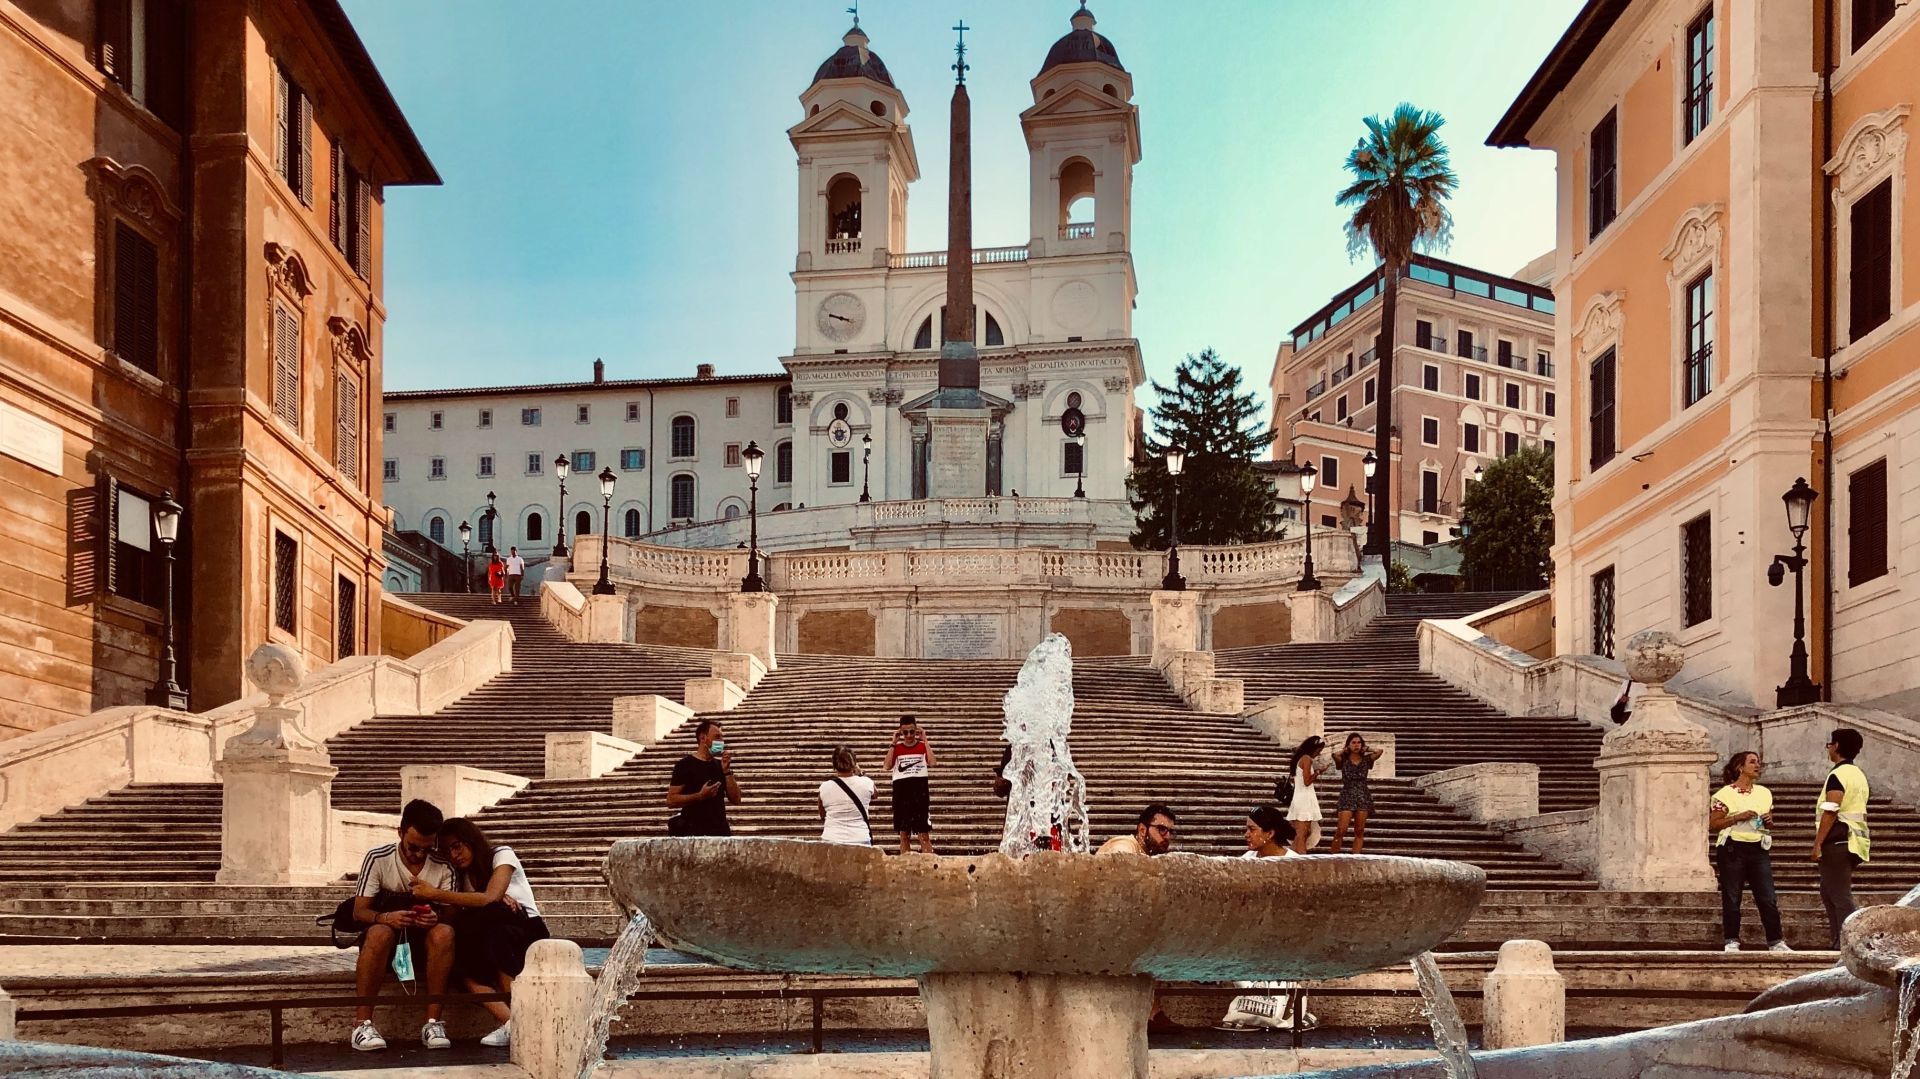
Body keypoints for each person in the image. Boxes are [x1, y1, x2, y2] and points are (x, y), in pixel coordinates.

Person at [408, 817, 551, 1048]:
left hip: (527, 931)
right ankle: (513, 1023)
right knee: (461, 961)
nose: (454, 855)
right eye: (447, 852)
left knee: (496, 926)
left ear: (471, 840)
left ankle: (521, 1018)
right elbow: (465, 911)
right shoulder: (461, 878)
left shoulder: (501, 855)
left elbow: (490, 898)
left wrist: (434, 894)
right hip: (491, 934)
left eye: (457, 846)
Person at [348, 799, 458, 1052]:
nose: (419, 854)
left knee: (444, 932)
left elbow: (452, 916)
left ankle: (433, 1022)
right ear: (400, 832)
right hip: (385, 940)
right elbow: (359, 911)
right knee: (378, 933)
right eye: (413, 847)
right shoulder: (378, 858)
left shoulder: (444, 866)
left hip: (426, 944)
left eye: (426, 849)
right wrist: (386, 917)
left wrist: (435, 917)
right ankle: (362, 1024)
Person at [1219, 806, 1311, 1032]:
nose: (1246, 834)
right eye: (1246, 829)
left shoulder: (1295, 864)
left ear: (1269, 834)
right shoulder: (1247, 860)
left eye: (1252, 829)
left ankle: (1275, 1013)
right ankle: (1271, 1012)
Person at [1709, 750, 1788, 953]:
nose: (1757, 765)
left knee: (1767, 896)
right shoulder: (1724, 794)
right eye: (1752, 762)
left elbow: (1768, 820)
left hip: (1758, 846)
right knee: (1732, 896)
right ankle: (1731, 940)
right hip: (1732, 847)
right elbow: (1714, 823)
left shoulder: (1764, 793)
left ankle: (1776, 940)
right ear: (1740, 767)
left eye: (1758, 762)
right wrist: (1738, 817)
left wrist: (1769, 821)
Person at [1813, 728, 1870, 949]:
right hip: (1855, 840)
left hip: (1837, 840)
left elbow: (1831, 809)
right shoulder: (1858, 775)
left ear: (1836, 746)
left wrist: (1818, 842)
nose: (1828, 748)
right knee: (1828, 892)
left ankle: (1850, 945)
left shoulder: (1838, 775)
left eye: (1830, 743)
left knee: (1839, 896)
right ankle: (1838, 941)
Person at [666, 720, 741, 837]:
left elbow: (736, 799)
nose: (721, 741)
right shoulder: (685, 765)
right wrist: (700, 796)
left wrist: (727, 772)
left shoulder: (720, 765)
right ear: (703, 738)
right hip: (693, 832)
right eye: (717, 737)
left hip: (719, 831)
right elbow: (671, 800)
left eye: (722, 737)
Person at [884, 716, 935, 855]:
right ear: (900, 732)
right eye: (905, 733)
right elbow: (887, 766)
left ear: (916, 730)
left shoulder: (922, 745)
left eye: (912, 732)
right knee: (904, 836)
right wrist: (893, 743)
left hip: (920, 795)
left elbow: (932, 762)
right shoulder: (897, 748)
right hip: (902, 796)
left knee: (924, 836)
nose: (909, 736)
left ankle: (930, 868)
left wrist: (925, 740)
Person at [1328, 733, 1382, 854]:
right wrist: (1345, 750)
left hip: (1362, 794)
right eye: (1353, 742)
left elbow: (1379, 751)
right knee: (1341, 829)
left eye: (1358, 742)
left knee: (1359, 830)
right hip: (1347, 793)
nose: (1356, 745)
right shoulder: (1344, 760)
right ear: (1348, 744)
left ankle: (1355, 856)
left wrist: (1367, 748)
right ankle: (1333, 856)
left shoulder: (1366, 759)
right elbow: (1335, 755)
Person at [819, 747, 875, 845]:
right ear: (854, 764)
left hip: (831, 839)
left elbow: (822, 815)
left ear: (834, 766)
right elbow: (876, 794)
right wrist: (861, 774)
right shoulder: (866, 783)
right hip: (860, 837)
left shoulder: (824, 787)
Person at [1284, 736, 1326, 854]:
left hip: (1300, 797)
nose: (1319, 753)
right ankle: (1301, 859)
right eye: (1318, 750)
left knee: (1302, 833)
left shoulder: (1300, 759)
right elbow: (1307, 781)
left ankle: (1292, 856)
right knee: (1302, 834)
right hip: (1304, 799)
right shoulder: (1306, 759)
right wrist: (1317, 772)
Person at [1096, 804, 1177, 856]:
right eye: (1162, 829)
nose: (1167, 836)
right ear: (1142, 830)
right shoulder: (1124, 845)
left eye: (1170, 831)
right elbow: (1119, 854)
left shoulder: (1147, 854)